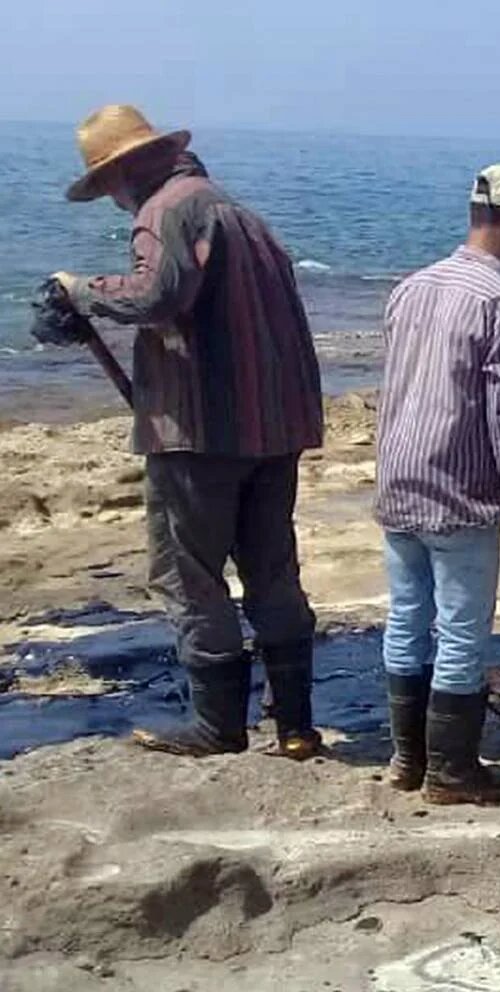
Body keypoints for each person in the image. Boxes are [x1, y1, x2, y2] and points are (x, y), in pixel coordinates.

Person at [53, 105, 325, 759]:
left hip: (200, 433)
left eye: (109, 186)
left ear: (125, 170)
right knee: (273, 573)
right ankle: (295, 728)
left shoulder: (165, 212)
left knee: (189, 574)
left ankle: (219, 728)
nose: (114, 202)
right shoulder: (244, 217)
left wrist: (80, 290)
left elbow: (155, 297)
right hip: (275, 427)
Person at [375, 165, 500, 804]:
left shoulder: (410, 288)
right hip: (458, 492)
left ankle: (407, 761)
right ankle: (452, 773)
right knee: (461, 631)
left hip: (398, 479)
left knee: (406, 620)